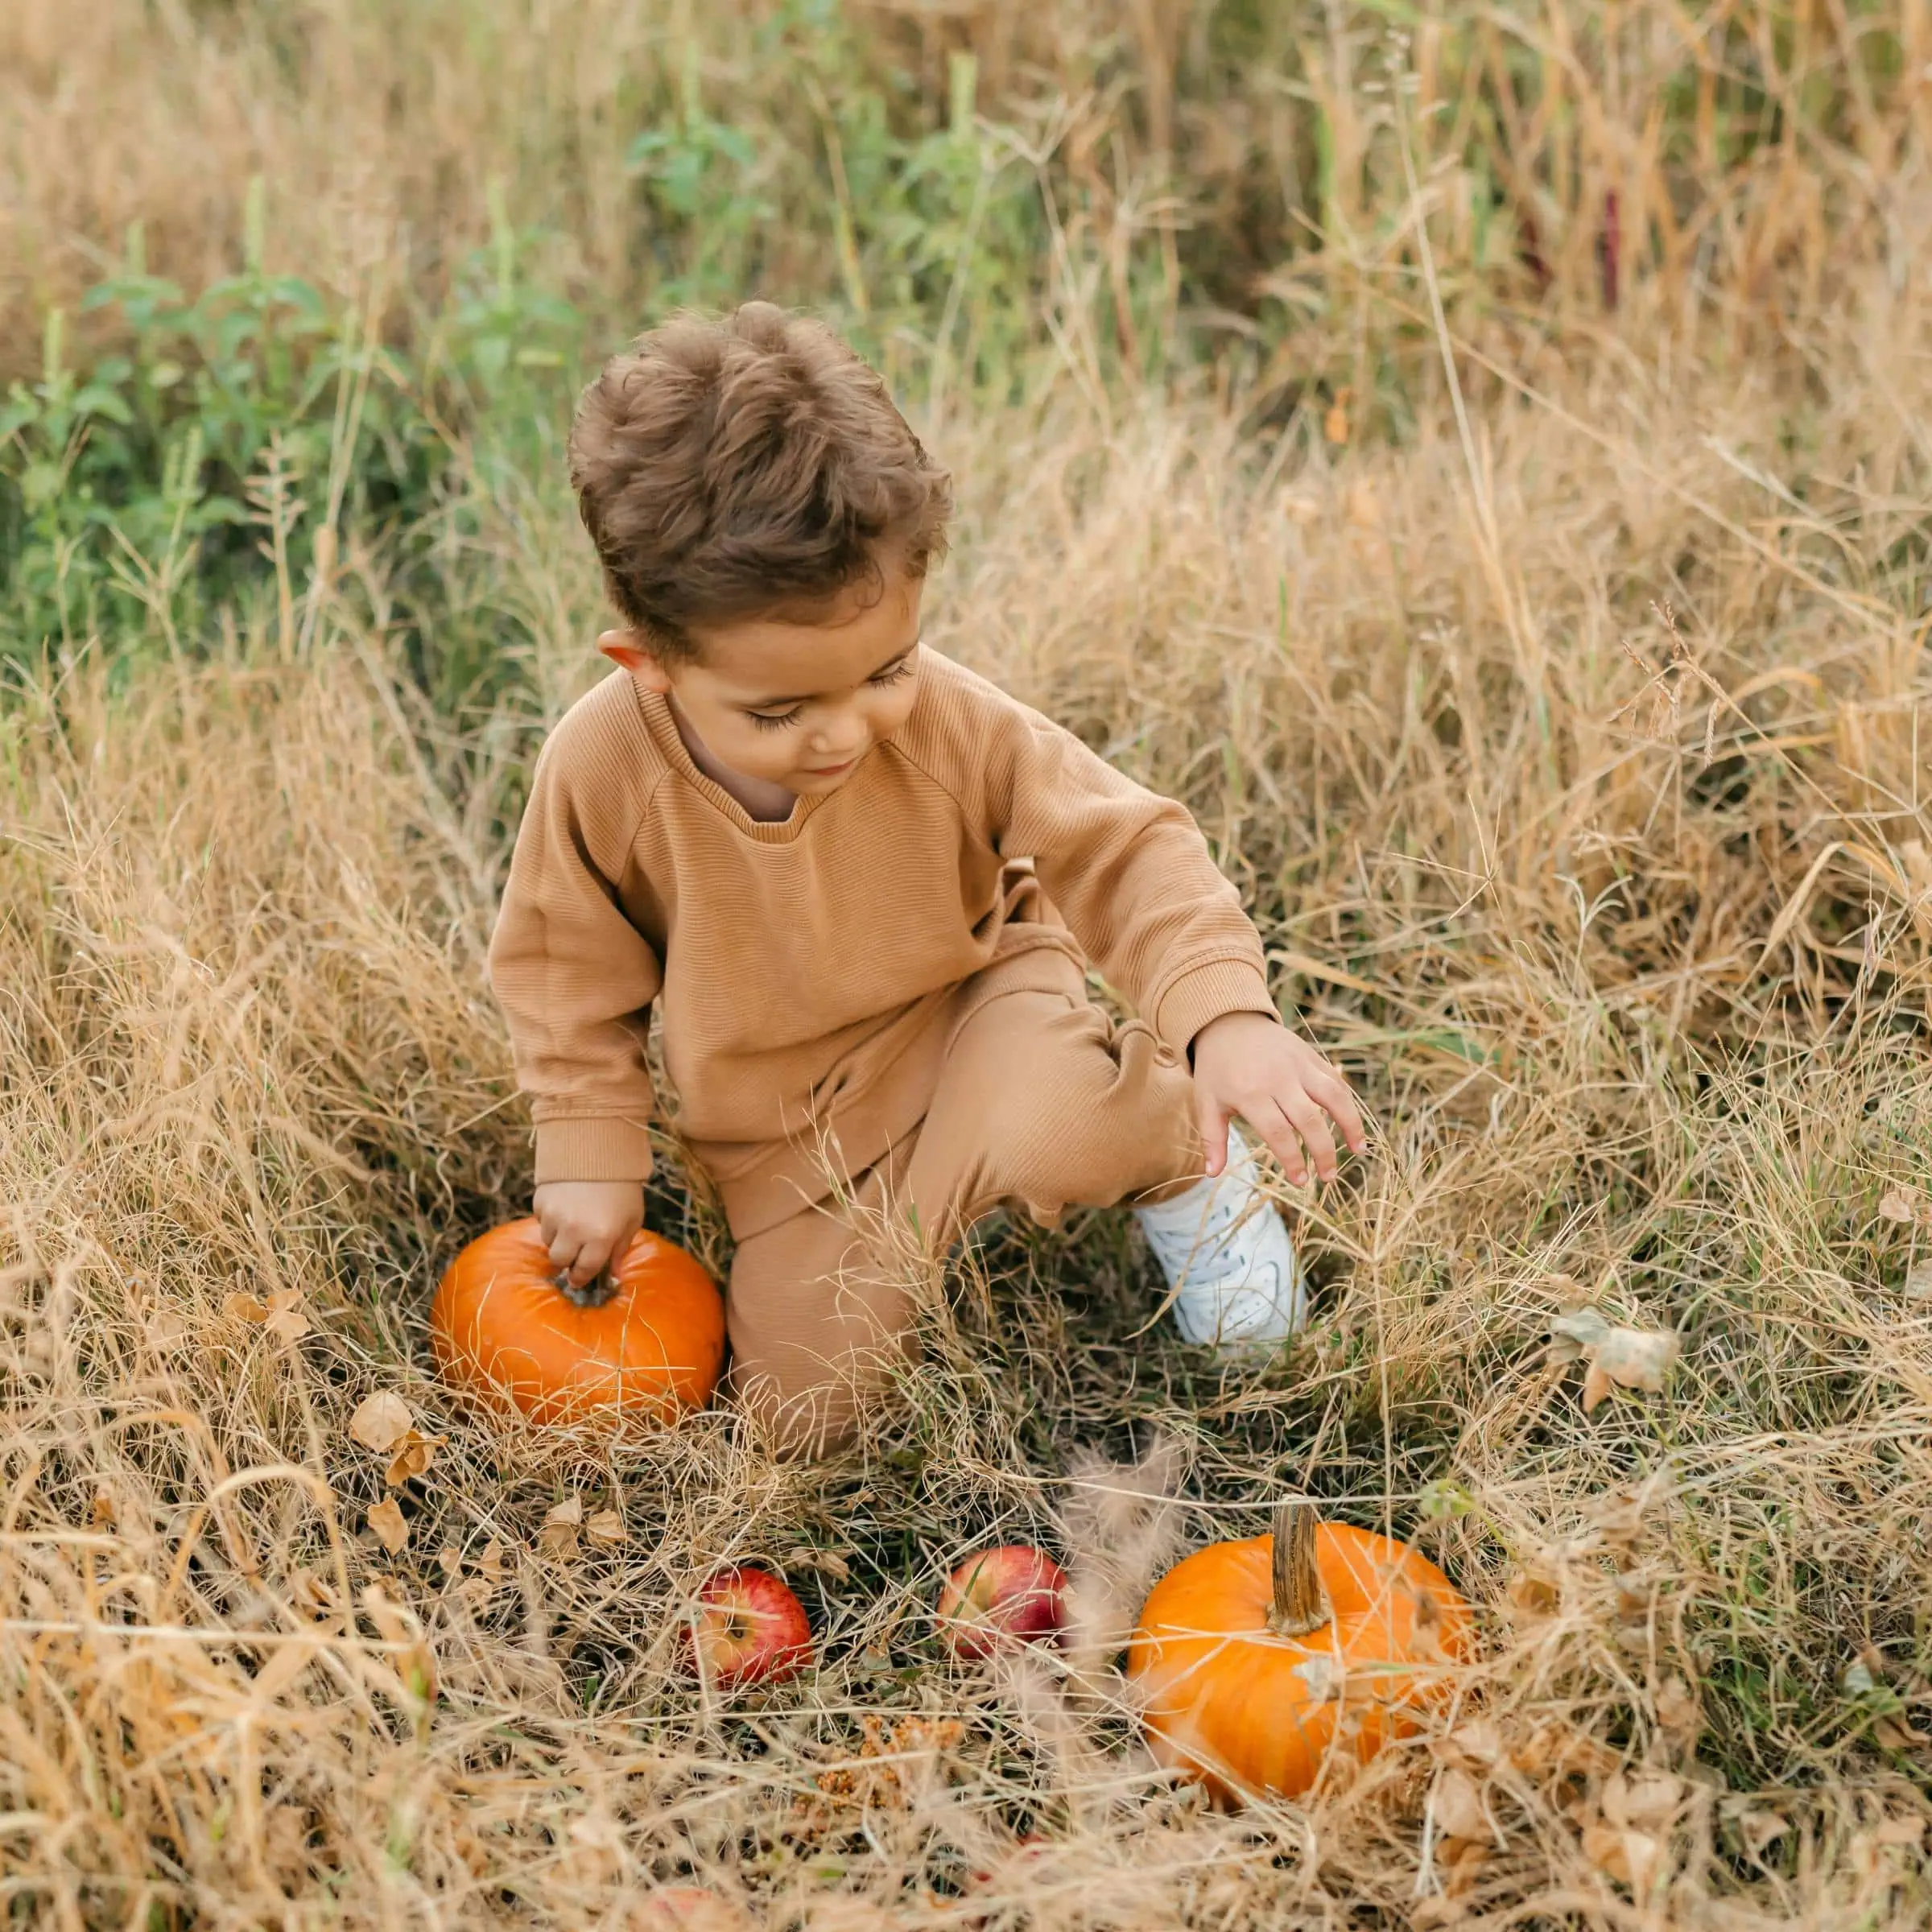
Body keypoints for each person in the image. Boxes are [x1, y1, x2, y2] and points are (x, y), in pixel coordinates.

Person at [488, 303, 1366, 1456]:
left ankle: (1174, 1162)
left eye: (885, 669)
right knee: (806, 1416)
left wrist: (1225, 1019)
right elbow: (564, 971)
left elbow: (1124, 841)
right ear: (649, 667)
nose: (847, 730)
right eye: (778, 709)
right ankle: (900, 1245)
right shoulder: (602, 770)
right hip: (787, 1138)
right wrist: (590, 1151)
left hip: (971, 1015)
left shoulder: (948, 723)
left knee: (1067, 1124)